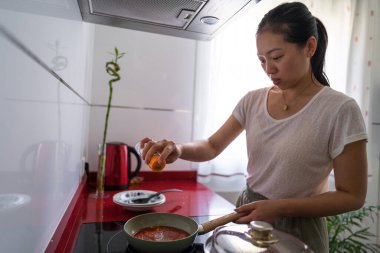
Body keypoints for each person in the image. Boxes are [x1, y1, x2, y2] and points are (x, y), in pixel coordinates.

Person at [137, 2, 368, 252]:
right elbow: (212, 146)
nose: (269, 69)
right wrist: (178, 149)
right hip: (249, 222)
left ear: (309, 47)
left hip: (301, 230)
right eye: (262, 60)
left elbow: (352, 195)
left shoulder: (340, 109)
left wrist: (281, 207)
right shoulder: (253, 100)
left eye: (277, 57)